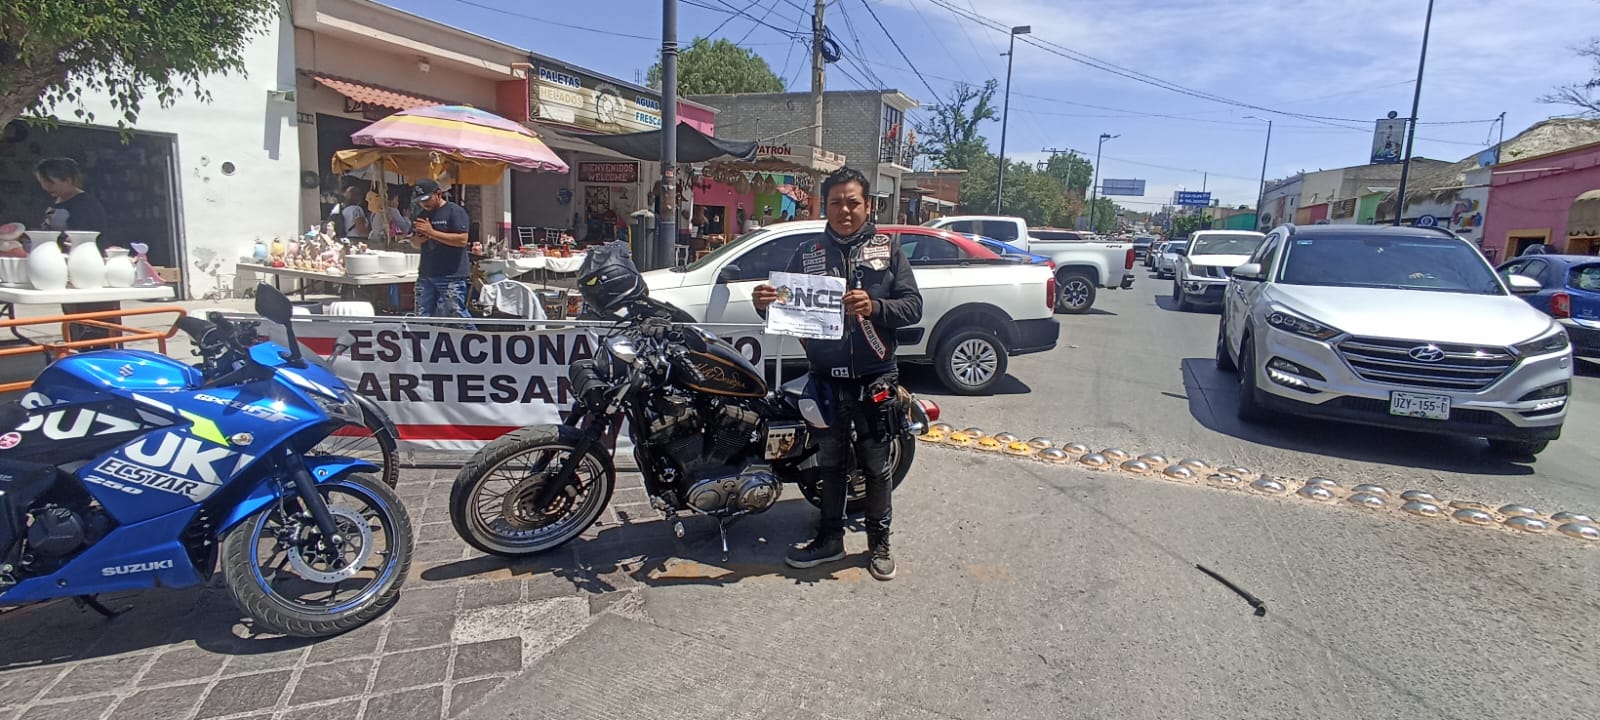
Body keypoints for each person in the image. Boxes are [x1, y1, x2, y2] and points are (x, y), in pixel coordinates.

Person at [751, 166, 922, 581]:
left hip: (875, 375)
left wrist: (875, 307)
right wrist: (763, 302)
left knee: (876, 465)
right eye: (835, 203)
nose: (844, 210)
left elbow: (914, 307)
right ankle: (829, 540)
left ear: (867, 206)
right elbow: (785, 310)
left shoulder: (889, 250)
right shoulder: (808, 252)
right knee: (829, 464)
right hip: (825, 376)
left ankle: (879, 544)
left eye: (853, 202)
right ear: (823, 206)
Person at [410, 179, 473, 320]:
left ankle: (472, 338)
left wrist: (432, 232)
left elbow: (462, 240)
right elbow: (414, 242)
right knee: (422, 314)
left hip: (451, 274)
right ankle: (425, 341)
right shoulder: (421, 215)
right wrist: (417, 240)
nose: (423, 204)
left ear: (438, 194)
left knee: (456, 313)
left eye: (426, 199)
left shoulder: (454, 211)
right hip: (427, 273)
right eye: (420, 200)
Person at [36, 158, 107, 238]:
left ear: (68, 180)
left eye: (50, 183)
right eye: (42, 183)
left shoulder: (86, 205)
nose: (45, 187)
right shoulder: (49, 199)